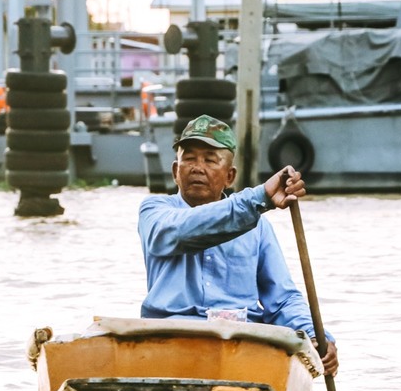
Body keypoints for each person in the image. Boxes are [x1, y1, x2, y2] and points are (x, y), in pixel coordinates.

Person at [137, 114, 339, 377]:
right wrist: (260, 198)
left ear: (229, 176)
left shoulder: (258, 227)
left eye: (210, 160)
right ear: (176, 171)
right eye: (189, 158)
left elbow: (282, 300)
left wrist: (315, 336)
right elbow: (179, 230)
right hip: (169, 344)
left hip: (239, 349)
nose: (197, 167)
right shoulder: (155, 212)